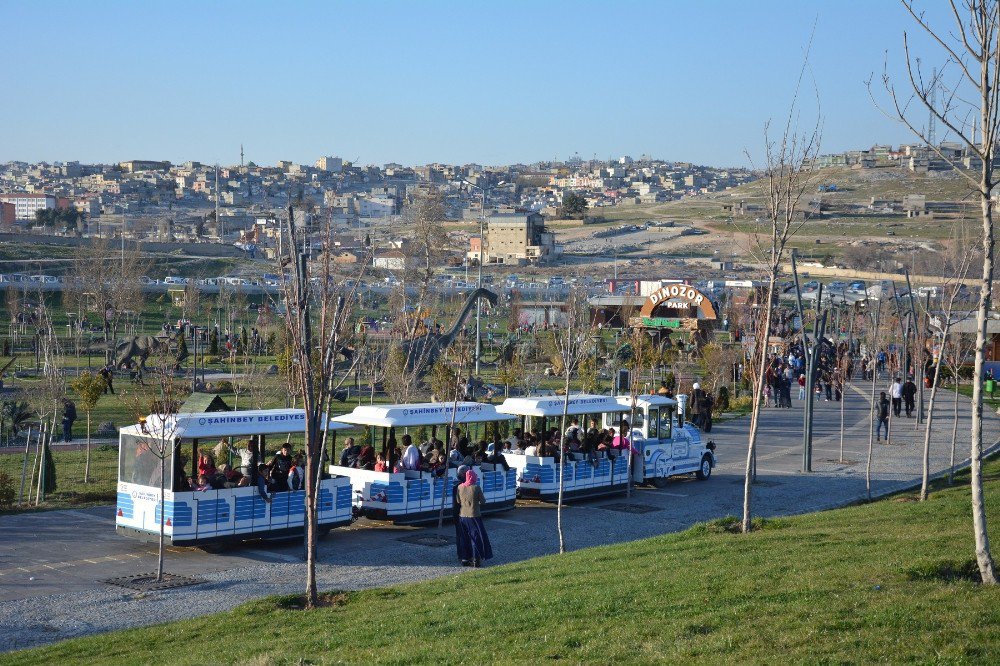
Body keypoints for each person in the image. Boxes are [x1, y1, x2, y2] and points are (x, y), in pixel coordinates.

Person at [455, 469, 493, 568]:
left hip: (462, 515)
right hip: (474, 515)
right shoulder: (476, 487)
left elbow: (458, 501)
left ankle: (465, 559)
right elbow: (483, 501)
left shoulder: (459, 487)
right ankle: (476, 559)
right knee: (476, 538)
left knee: (464, 538)